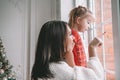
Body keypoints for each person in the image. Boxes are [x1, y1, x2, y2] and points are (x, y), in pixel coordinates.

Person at [31, 20, 103, 80]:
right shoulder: (61, 70)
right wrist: (92, 47)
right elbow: (97, 77)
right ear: (58, 41)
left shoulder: (44, 68)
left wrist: (70, 59)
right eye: (69, 34)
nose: (73, 38)